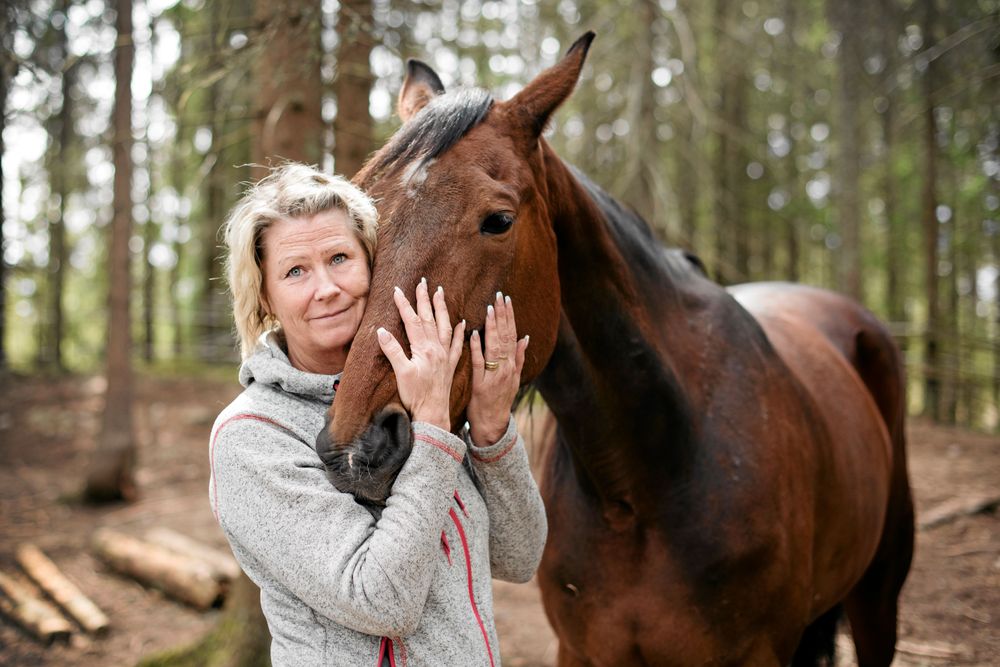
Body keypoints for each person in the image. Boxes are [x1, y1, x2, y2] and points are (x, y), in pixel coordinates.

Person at [209, 163, 547, 666]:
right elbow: (381, 602)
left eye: (339, 258)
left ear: (375, 264)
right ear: (265, 296)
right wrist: (432, 428)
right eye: (295, 271)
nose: (326, 287)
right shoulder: (250, 437)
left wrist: (491, 429)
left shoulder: (416, 383)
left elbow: (520, 556)